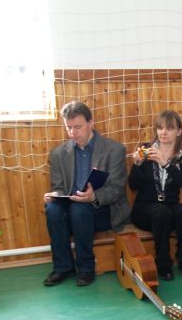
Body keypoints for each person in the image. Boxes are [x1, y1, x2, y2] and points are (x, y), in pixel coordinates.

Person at [43, 101, 130, 287]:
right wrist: (55, 194)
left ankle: (86, 268)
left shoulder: (114, 150)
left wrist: (93, 197)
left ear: (91, 123)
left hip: (103, 210)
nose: (73, 133)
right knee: (52, 209)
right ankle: (63, 267)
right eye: (69, 128)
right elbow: (59, 186)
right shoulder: (58, 154)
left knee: (79, 209)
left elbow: (116, 189)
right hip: (72, 206)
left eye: (78, 127)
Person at [128, 110, 182, 281]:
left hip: (169, 208)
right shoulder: (145, 150)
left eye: (169, 128)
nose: (163, 132)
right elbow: (133, 185)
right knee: (161, 212)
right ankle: (163, 264)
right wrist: (137, 165)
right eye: (160, 128)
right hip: (144, 210)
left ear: (179, 132)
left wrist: (165, 163)